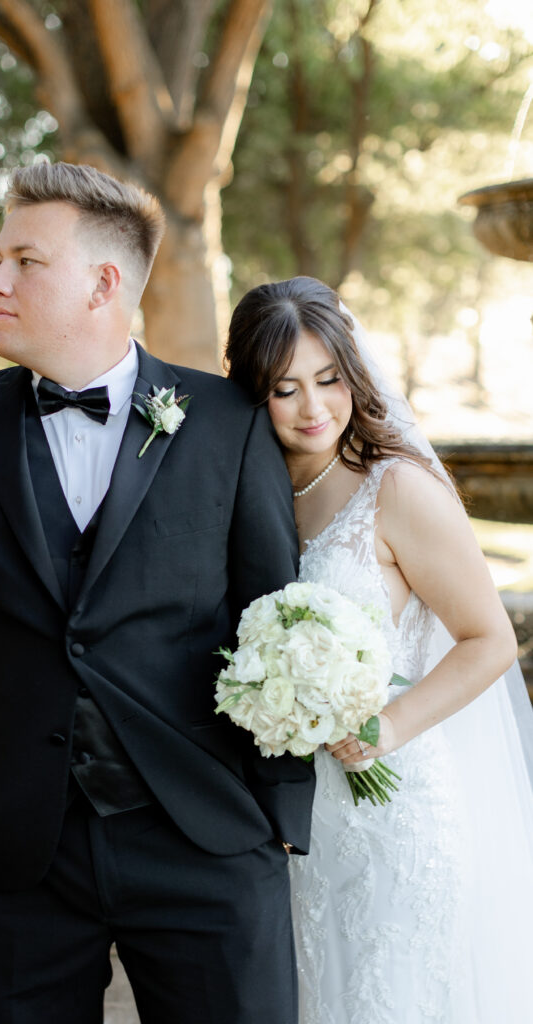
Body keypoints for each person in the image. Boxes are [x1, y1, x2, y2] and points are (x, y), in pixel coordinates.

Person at [0, 163, 316, 1024]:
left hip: (204, 838)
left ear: (103, 283)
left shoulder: (225, 423)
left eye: (25, 261)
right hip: (2, 850)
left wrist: (280, 812)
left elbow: (276, 614)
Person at [225, 275, 533, 1024]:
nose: (312, 408)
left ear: (354, 375)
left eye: (328, 380)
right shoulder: (245, 488)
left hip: (393, 806)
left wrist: (383, 728)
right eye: (284, 388)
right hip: (292, 825)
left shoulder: (395, 489)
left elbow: (487, 638)